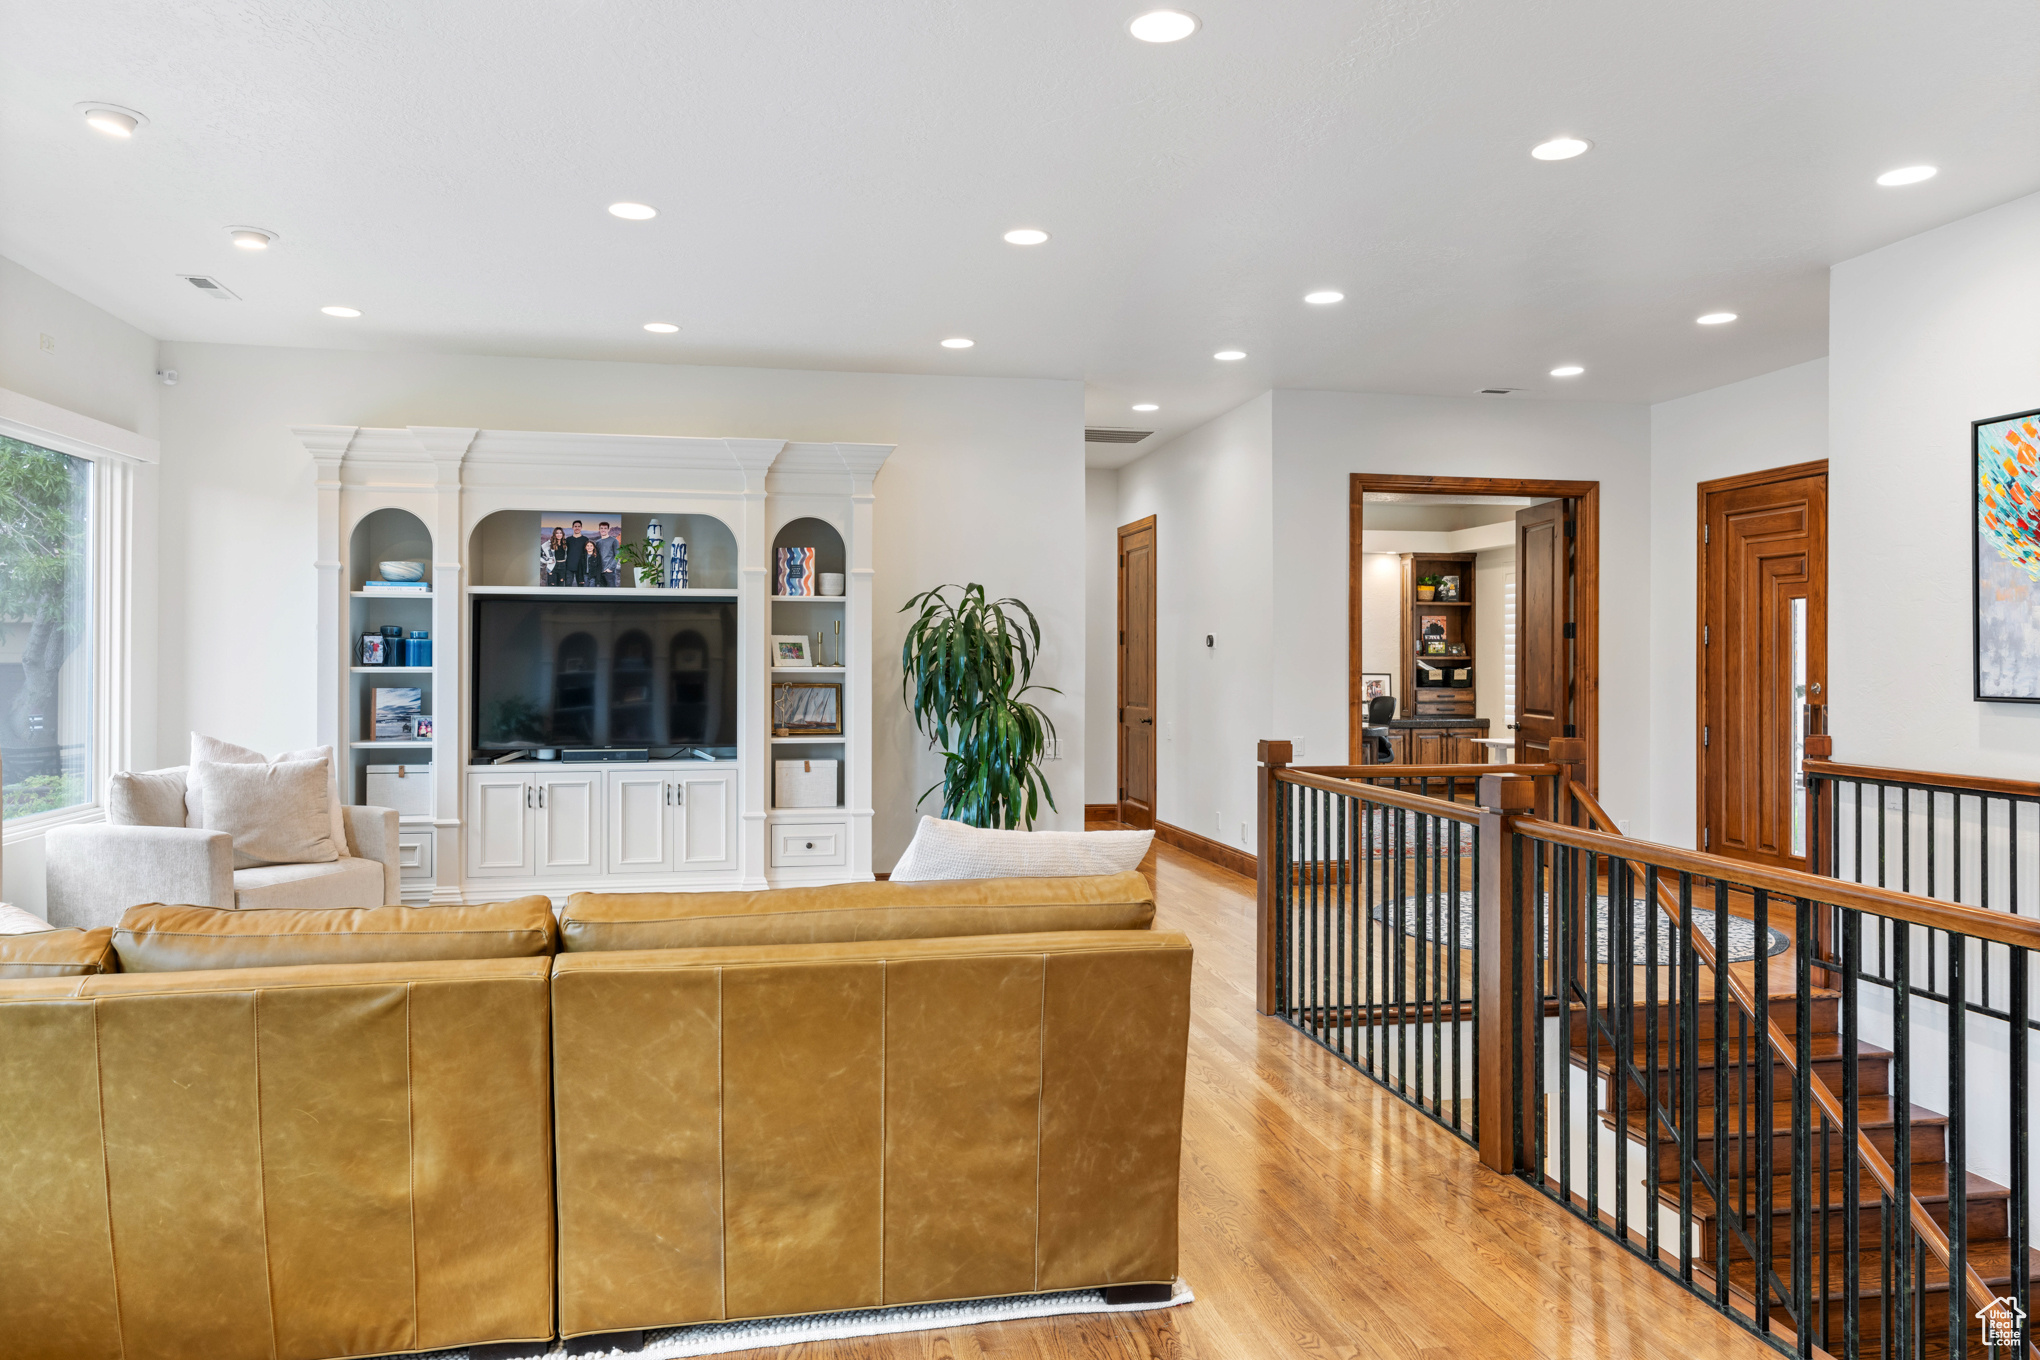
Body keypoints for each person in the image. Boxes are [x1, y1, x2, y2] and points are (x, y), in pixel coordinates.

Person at [596, 520, 621, 587]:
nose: (603, 530)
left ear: (608, 529)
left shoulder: (614, 540)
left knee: (612, 593)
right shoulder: (597, 542)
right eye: (601, 528)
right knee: (602, 593)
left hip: (609, 572)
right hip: (600, 571)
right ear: (599, 529)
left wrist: (610, 568)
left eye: (605, 528)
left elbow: (617, 555)